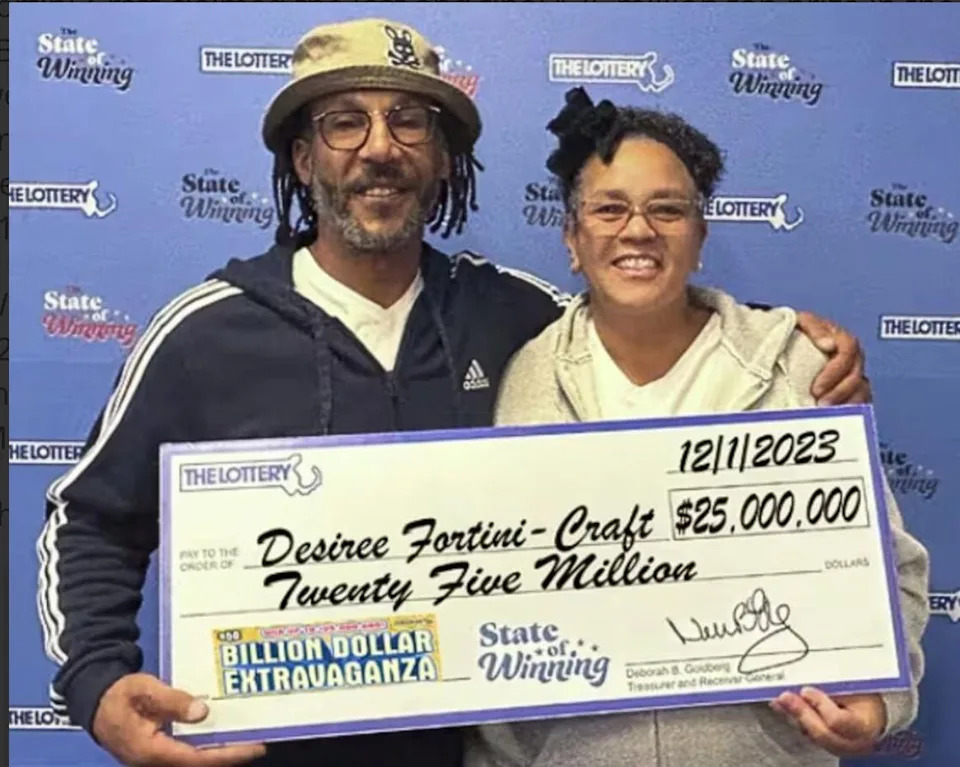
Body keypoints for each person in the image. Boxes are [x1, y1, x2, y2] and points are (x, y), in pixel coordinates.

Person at [35, 17, 872, 767]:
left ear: (442, 157)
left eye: (410, 121)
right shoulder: (205, 331)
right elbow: (91, 517)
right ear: (302, 156)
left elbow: (648, 317)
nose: (380, 148)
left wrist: (786, 342)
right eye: (344, 122)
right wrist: (98, 683)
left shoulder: (515, 317)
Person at [468, 87, 930, 767]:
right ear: (571, 238)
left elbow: (888, 563)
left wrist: (881, 699)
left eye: (668, 209)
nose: (638, 230)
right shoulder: (519, 379)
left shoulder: (800, 369)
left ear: (701, 236)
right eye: (609, 209)